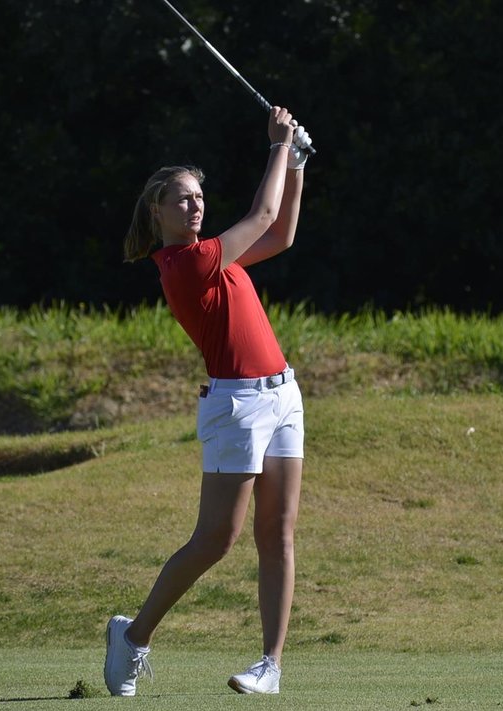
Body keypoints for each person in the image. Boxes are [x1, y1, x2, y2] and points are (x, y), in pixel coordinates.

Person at [105, 106, 313, 697]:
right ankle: (134, 636)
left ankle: (270, 666)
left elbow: (282, 233)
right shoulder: (187, 263)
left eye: (198, 197)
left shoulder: (219, 256)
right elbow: (264, 213)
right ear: (158, 211)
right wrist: (278, 145)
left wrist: (295, 162)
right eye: (182, 200)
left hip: (283, 395)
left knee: (278, 534)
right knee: (216, 540)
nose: (194, 206)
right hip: (236, 407)